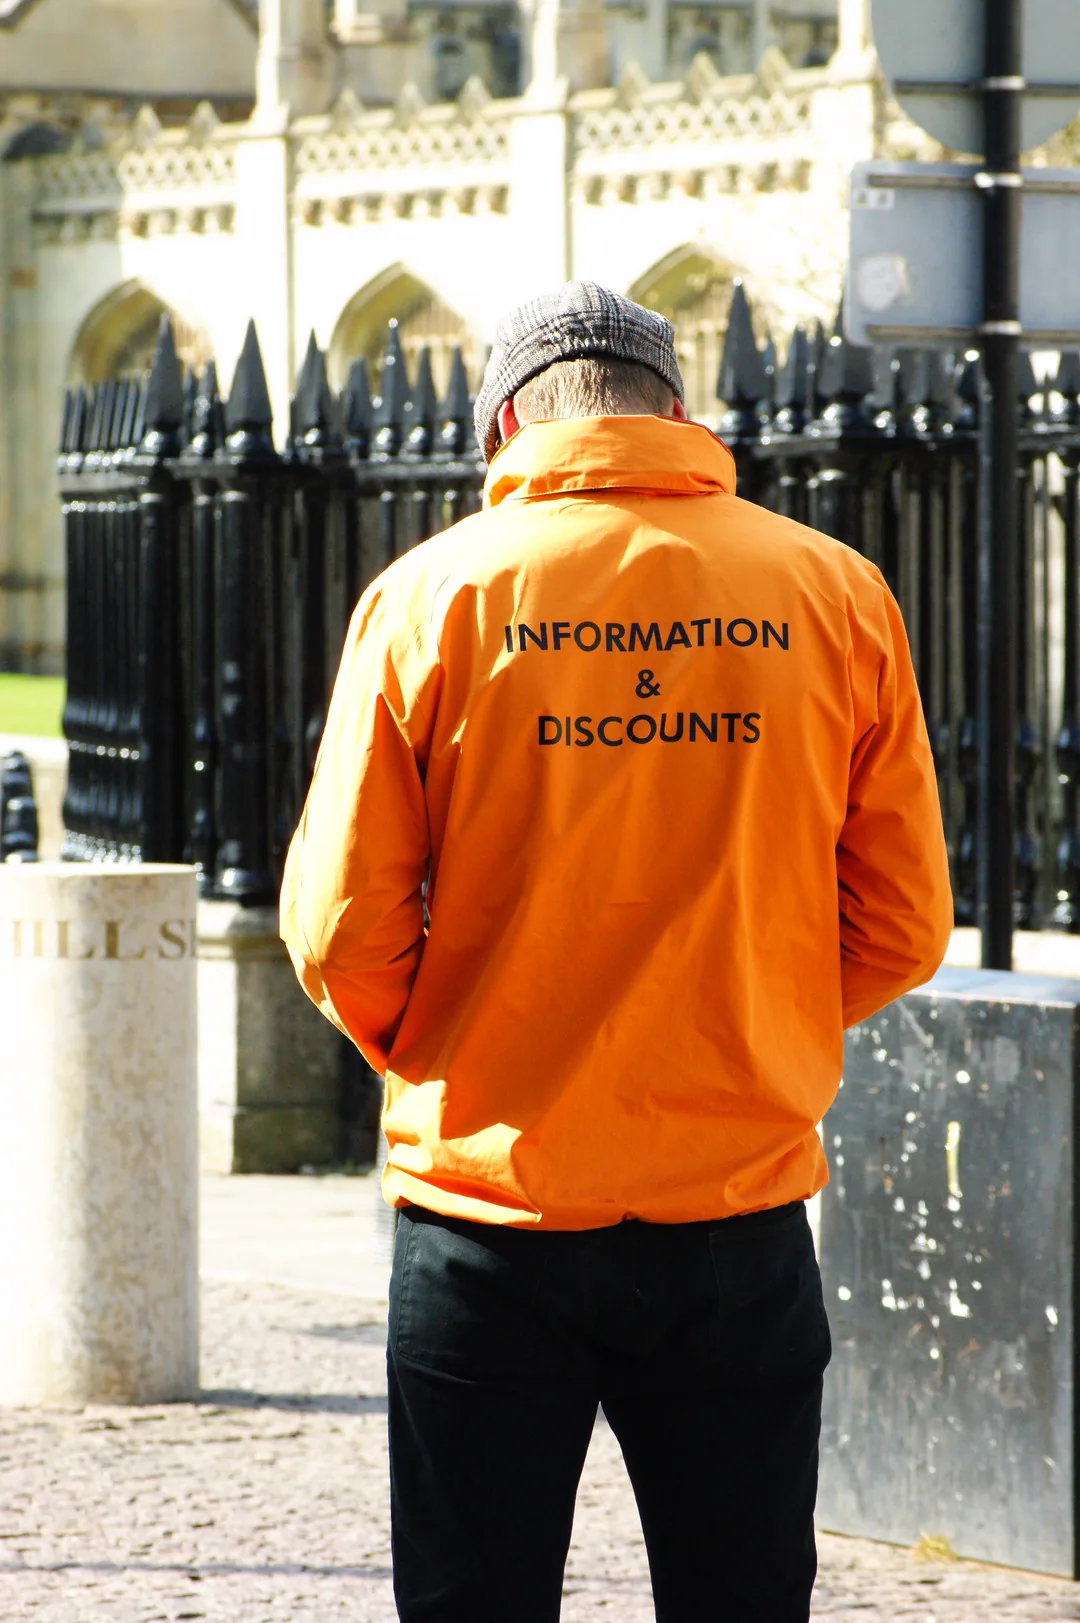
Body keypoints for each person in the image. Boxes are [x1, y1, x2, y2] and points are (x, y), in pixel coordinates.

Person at [279, 281, 953, 1623]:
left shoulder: (431, 596)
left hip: (491, 1207)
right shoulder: (833, 591)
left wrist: (446, 1049)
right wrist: (755, 1024)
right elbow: (902, 922)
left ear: (504, 424)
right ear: (677, 412)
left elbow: (339, 926)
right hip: (735, 1206)